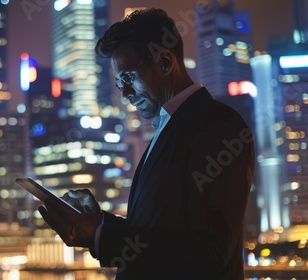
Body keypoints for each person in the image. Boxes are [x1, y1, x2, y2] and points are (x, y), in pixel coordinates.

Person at [38, 8, 255, 280]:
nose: (125, 94)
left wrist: (100, 236)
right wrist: (100, 222)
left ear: (164, 62)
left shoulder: (218, 125)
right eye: (119, 83)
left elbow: (208, 253)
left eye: (128, 78)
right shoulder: (169, 128)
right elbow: (159, 232)